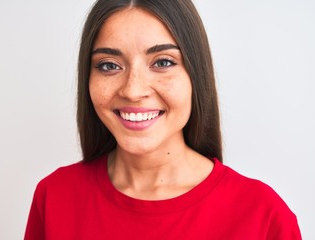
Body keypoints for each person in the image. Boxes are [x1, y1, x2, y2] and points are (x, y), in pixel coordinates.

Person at [24, 0, 302, 239]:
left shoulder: (263, 216)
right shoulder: (54, 197)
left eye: (163, 62)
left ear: (195, 74)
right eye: (109, 65)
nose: (133, 90)